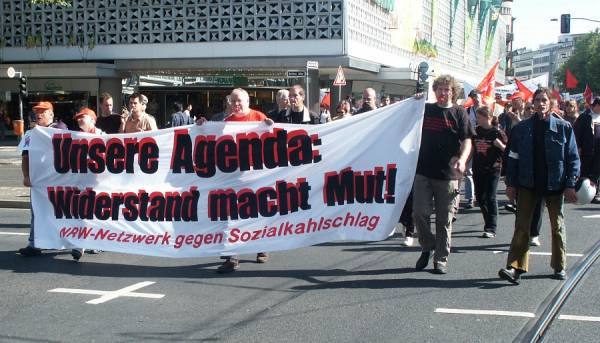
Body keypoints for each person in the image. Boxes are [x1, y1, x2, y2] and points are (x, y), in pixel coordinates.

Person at [498, 87, 580, 284]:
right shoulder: (522, 128)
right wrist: (510, 183)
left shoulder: (563, 127)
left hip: (555, 185)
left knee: (557, 227)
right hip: (527, 183)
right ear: (532, 104)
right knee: (522, 226)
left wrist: (570, 184)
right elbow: (512, 157)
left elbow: (572, 158)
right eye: (537, 100)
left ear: (551, 103)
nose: (540, 103)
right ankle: (516, 268)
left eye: (544, 100)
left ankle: (559, 266)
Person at [197, 88, 274, 273]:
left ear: (248, 101)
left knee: (255, 213)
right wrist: (203, 125)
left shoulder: (258, 117)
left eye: (239, 101)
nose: (235, 105)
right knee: (229, 216)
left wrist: (270, 126)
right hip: (232, 177)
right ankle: (231, 257)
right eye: (232, 101)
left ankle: (260, 247)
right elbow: (212, 140)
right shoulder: (226, 122)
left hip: (255, 176)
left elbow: (272, 141)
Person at [413, 75, 474, 274]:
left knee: (444, 219)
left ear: (452, 92)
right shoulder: (426, 110)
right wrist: (412, 102)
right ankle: (428, 244)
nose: (442, 93)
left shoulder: (459, 113)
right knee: (419, 213)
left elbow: (467, 140)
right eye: (439, 89)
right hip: (423, 170)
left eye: (446, 89)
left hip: (448, 175)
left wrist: (462, 159)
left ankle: (441, 258)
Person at [18, 102, 68, 256]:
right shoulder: (31, 133)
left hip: (57, 180)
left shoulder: (60, 127)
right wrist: (26, 176)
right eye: (36, 112)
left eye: (42, 112)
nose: (38, 115)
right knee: (37, 212)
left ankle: (67, 241)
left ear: (51, 114)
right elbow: (25, 156)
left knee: (60, 212)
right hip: (38, 181)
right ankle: (34, 243)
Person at [70, 107, 104, 260]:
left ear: (92, 119)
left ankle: (85, 244)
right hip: (82, 181)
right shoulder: (76, 136)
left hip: (98, 181)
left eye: (82, 117)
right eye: (77, 118)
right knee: (84, 212)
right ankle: (85, 243)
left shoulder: (101, 136)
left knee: (90, 213)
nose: (79, 120)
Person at [472, 106, 507, 238]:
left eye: (479, 117)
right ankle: (488, 221)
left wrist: (501, 146)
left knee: (490, 197)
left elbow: (508, 150)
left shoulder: (497, 132)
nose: (477, 119)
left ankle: (491, 227)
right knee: (480, 198)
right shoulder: (475, 131)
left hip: (493, 169)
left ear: (488, 118)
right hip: (478, 168)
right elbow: (471, 149)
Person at [574, 97, 600, 204]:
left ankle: (594, 194)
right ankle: (582, 193)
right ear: (596, 105)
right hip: (586, 151)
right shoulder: (585, 117)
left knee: (596, 173)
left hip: (599, 151)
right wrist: (578, 147)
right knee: (585, 172)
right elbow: (577, 133)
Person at [463, 90, 481, 209]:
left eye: (476, 96)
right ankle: (470, 198)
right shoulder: (468, 110)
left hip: (483, 142)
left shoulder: (487, 109)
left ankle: (480, 196)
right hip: (471, 142)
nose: (475, 98)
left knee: (480, 171)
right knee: (468, 171)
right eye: (473, 96)